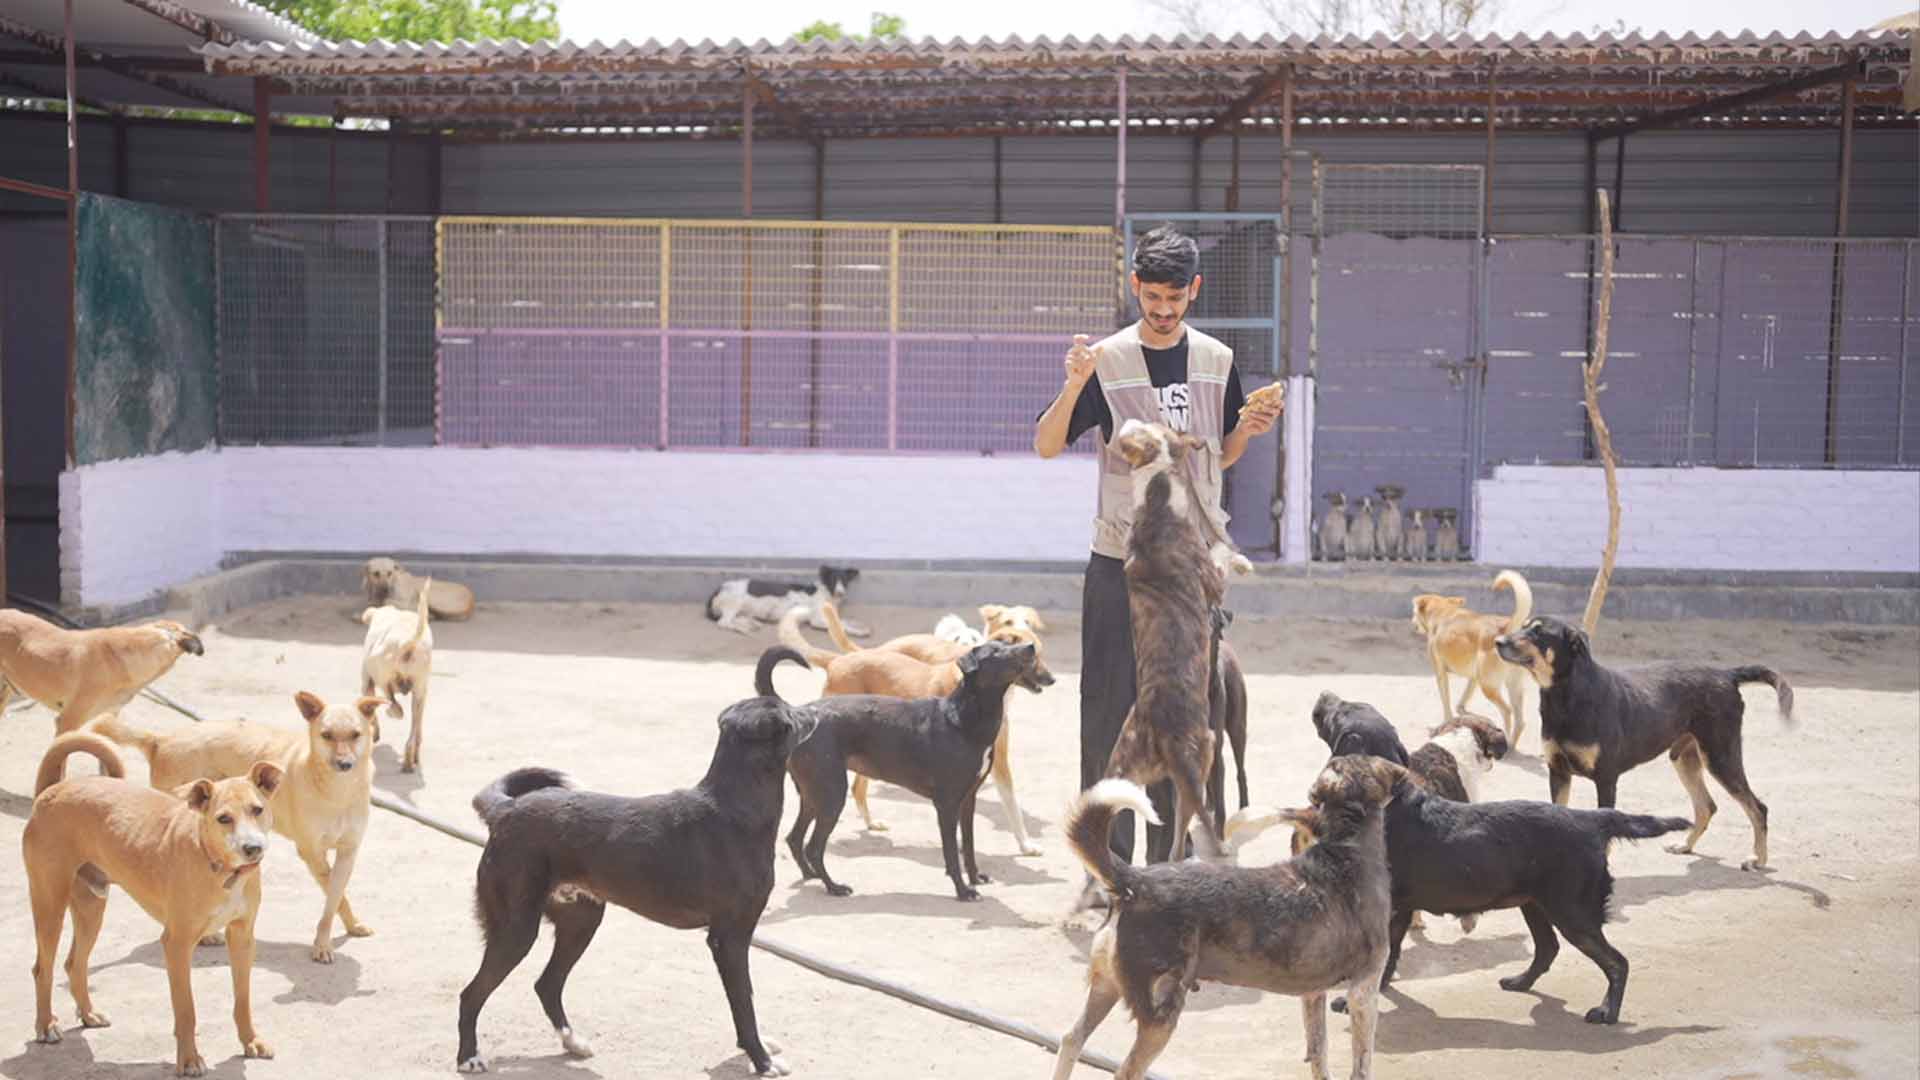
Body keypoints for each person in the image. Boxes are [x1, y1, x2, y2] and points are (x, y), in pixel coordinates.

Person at [1034, 223, 1284, 866]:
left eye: (1175, 299)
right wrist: (1074, 383)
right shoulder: (1106, 360)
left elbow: (1219, 455)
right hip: (1121, 562)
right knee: (1107, 713)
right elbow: (1046, 443)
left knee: (1182, 717)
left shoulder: (1217, 360)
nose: (1164, 310)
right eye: (1153, 298)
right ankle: (1109, 866)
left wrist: (1248, 429)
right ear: (1135, 287)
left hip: (1190, 571)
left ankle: (1167, 871)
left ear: (1193, 290)